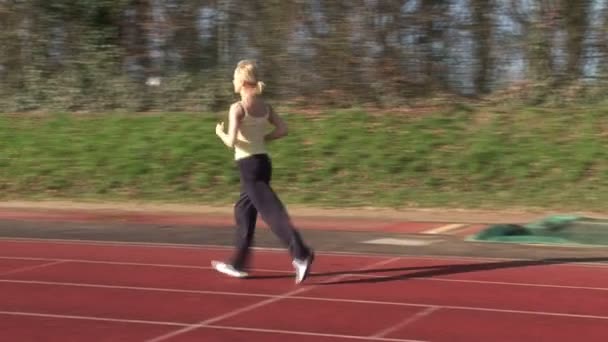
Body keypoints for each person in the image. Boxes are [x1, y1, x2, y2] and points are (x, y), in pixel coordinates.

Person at [212, 60, 314, 284]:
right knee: (243, 211)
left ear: (241, 81)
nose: (232, 81)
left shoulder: (237, 108)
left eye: (234, 77)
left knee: (272, 213)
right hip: (263, 162)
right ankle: (237, 263)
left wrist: (219, 132)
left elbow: (231, 142)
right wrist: (264, 137)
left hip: (248, 166)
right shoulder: (265, 106)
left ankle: (301, 254)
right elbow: (283, 129)